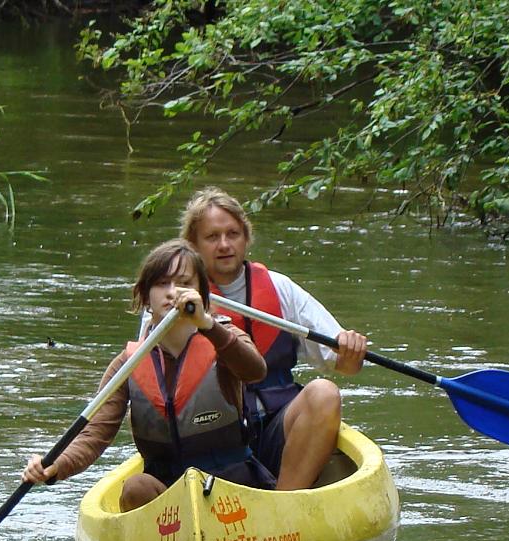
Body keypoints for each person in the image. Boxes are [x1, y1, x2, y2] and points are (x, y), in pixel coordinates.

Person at [23, 239, 270, 511]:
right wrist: (55, 466)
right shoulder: (128, 364)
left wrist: (208, 325)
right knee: (136, 487)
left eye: (184, 282)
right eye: (162, 283)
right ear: (146, 295)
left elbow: (255, 372)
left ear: (201, 293)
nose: (173, 292)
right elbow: (94, 433)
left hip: (231, 486)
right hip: (166, 493)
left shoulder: (225, 338)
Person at [180, 187, 369, 491]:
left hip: (275, 429)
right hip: (209, 435)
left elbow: (342, 364)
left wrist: (349, 354)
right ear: (193, 245)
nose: (225, 244)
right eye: (212, 237)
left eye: (233, 233)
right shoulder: (175, 297)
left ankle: (285, 503)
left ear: (246, 237)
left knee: (324, 393)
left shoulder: (280, 288)